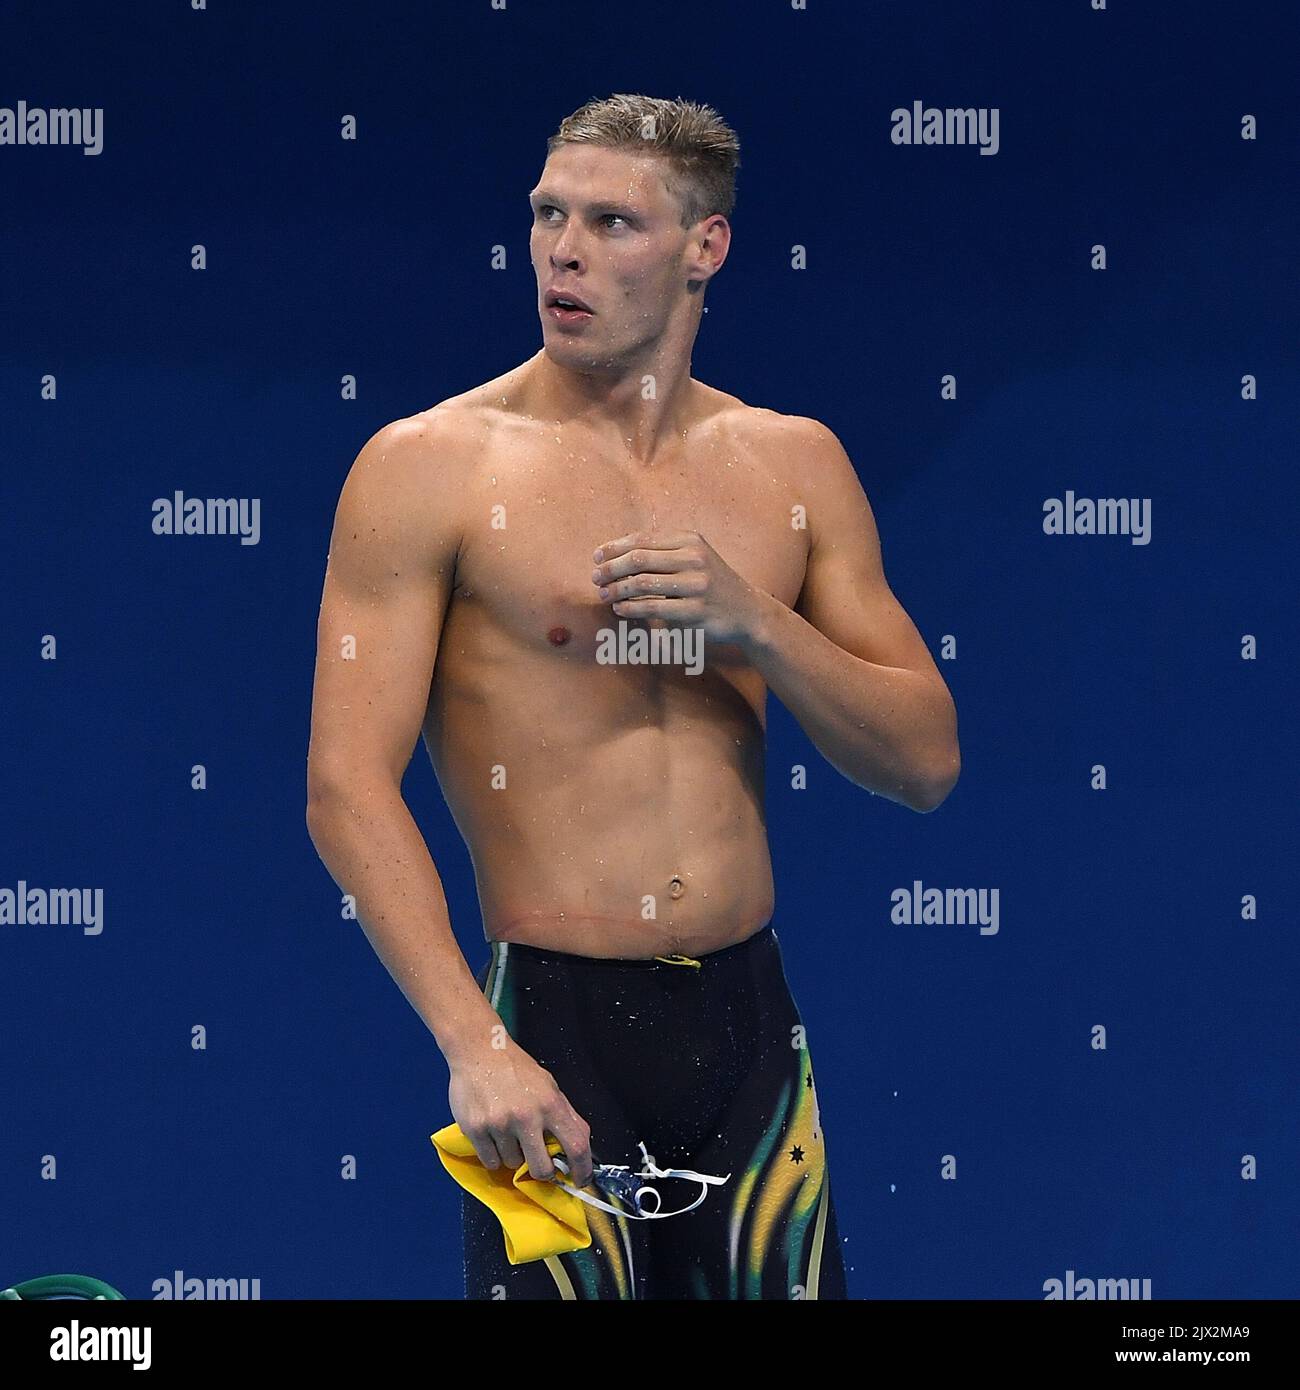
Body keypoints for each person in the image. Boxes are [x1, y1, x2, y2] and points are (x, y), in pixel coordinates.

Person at [305, 93, 960, 1299]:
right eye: (550, 214)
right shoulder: (430, 467)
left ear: (705, 247)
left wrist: (755, 624)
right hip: (553, 1029)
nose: (563, 249)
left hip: (753, 1031)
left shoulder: (791, 463)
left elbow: (923, 763)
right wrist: (475, 1045)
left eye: (612, 222)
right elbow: (344, 789)